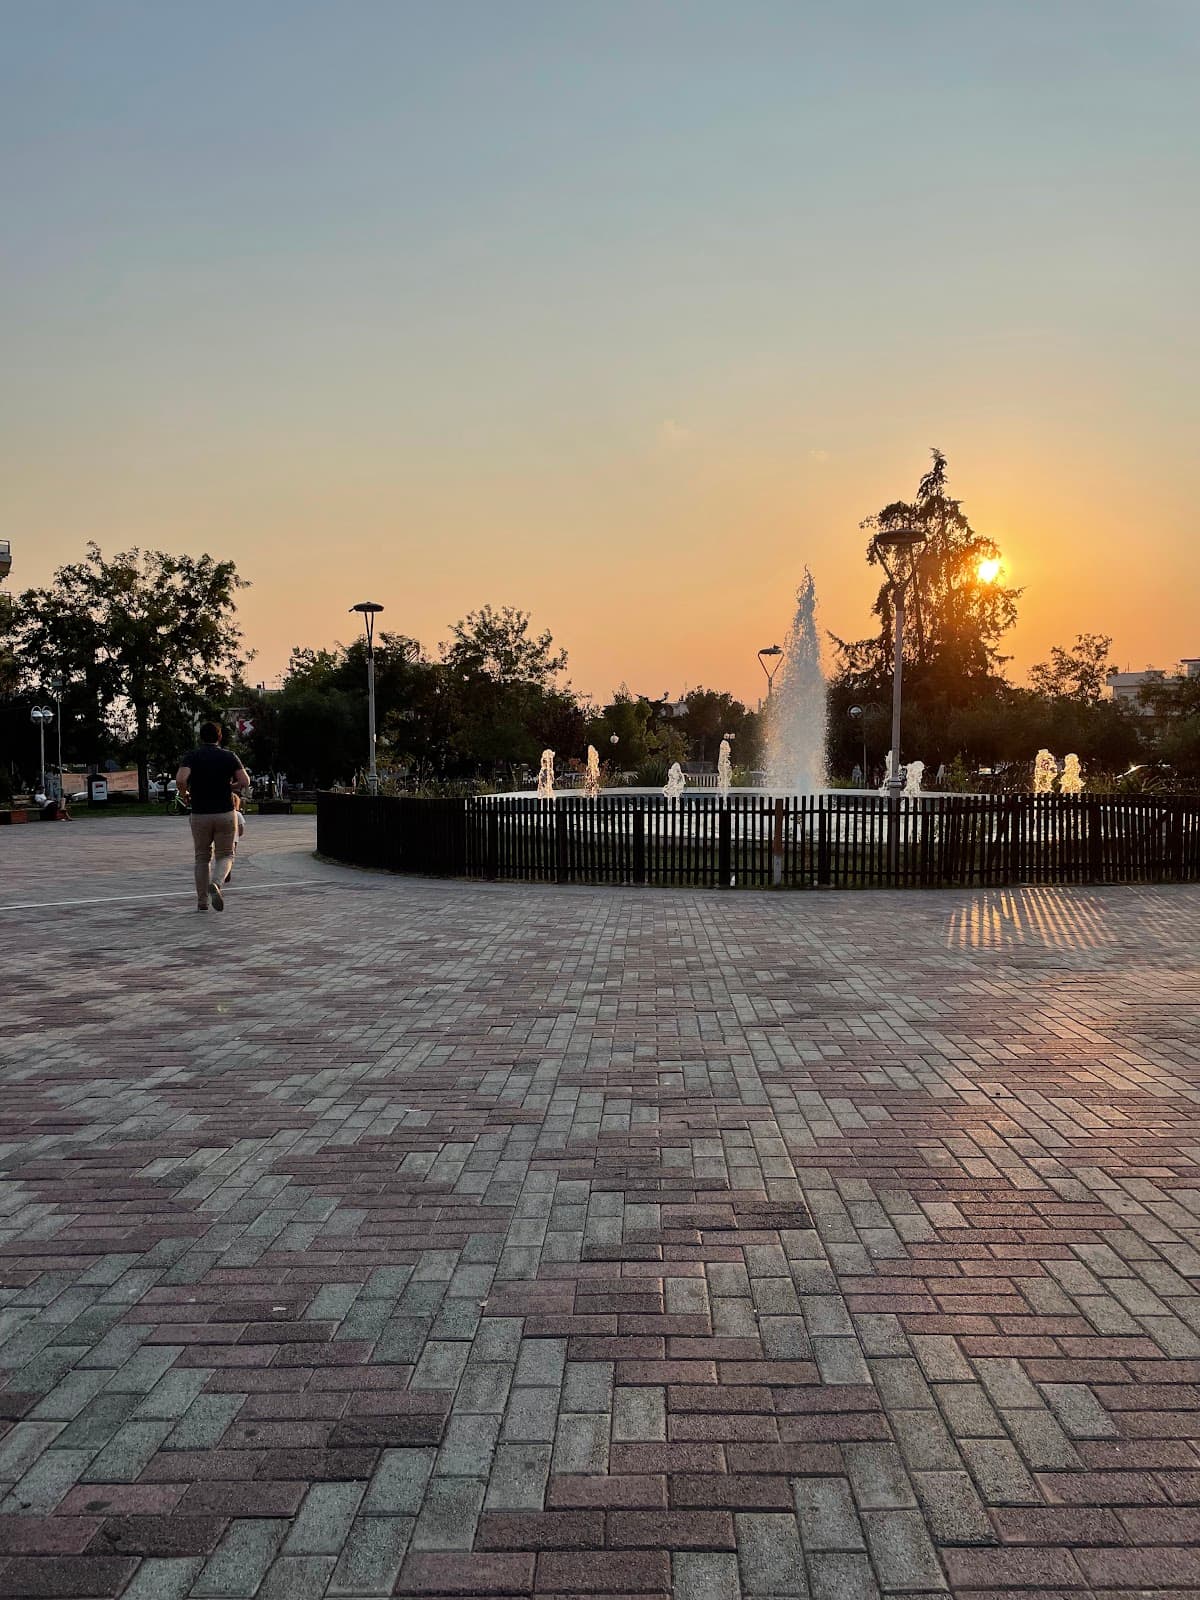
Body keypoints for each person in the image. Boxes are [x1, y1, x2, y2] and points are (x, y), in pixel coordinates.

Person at [177, 722, 249, 911]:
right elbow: (244, 781)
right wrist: (229, 787)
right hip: (225, 812)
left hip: (200, 813)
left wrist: (185, 794)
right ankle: (216, 882)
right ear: (220, 737)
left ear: (201, 737)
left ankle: (202, 902)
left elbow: (181, 779)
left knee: (201, 857)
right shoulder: (229, 756)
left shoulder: (192, 756)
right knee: (225, 854)